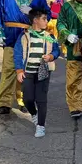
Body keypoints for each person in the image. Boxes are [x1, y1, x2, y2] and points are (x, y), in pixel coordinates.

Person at [0, 0, 51, 115]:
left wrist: (33, 13)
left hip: (29, 38)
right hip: (10, 36)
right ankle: (4, 102)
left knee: (29, 71)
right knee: (8, 70)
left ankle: (25, 100)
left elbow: (47, 16)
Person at [15, 9, 60, 138]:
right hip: (28, 71)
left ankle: (41, 126)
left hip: (43, 72)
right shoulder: (24, 36)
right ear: (35, 20)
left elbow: (57, 51)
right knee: (27, 99)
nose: (47, 21)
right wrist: (19, 70)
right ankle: (34, 114)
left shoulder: (49, 36)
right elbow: (18, 54)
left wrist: (51, 56)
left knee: (41, 99)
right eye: (44, 19)